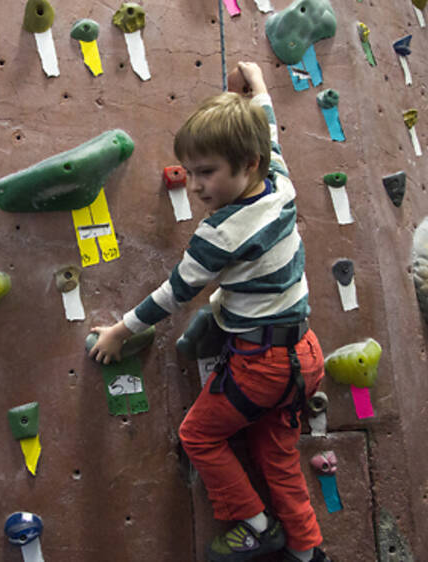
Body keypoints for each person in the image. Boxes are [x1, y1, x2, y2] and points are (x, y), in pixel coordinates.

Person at [88, 62, 330, 562]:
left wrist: (119, 331)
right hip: (305, 357)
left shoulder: (219, 232)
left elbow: (172, 295)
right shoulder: (282, 184)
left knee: (198, 435)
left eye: (207, 172)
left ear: (248, 165)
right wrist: (260, 87)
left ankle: (257, 525)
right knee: (277, 458)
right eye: (192, 172)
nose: (197, 186)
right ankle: (309, 554)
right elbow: (270, 131)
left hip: (258, 368)